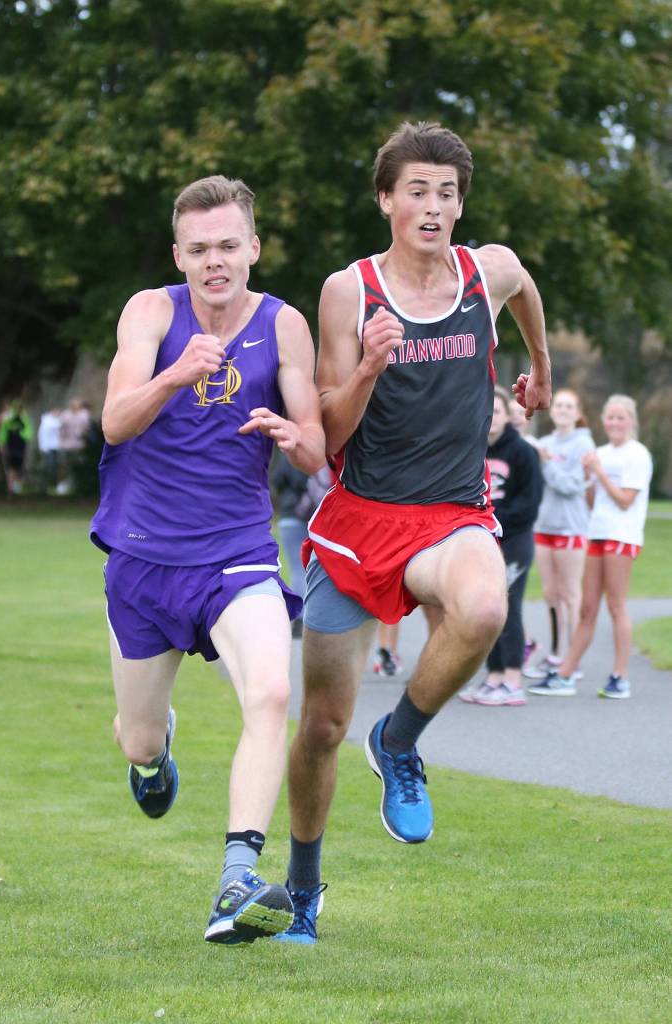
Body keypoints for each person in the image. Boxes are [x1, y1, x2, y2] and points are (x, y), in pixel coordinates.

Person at [275, 121, 551, 944]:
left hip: (451, 512)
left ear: (460, 204)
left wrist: (541, 364)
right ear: (386, 199)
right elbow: (324, 431)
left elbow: (526, 284)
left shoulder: (485, 270)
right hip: (359, 520)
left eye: (447, 193)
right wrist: (366, 366)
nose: (433, 207)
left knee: (484, 611)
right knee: (322, 725)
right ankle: (301, 889)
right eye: (417, 191)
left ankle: (399, 743)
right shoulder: (347, 291)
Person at [89, 174, 325, 945]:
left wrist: (295, 442)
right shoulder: (152, 312)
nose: (215, 261)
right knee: (138, 737)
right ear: (178, 255)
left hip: (237, 553)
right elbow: (117, 423)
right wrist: (174, 373)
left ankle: (237, 876)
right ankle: (154, 756)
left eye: (228, 245)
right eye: (199, 249)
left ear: (253, 248)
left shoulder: (284, 325)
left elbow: (316, 444)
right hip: (145, 559)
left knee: (268, 692)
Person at [529, 394, 652, 699]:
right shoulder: (600, 452)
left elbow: (625, 501)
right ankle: (565, 674)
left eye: (620, 417)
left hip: (621, 535)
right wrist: (590, 476)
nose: (614, 422)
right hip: (595, 532)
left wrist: (597, 473)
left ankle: (620, 676)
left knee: (616, 605)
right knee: (586, 608)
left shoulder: (636, 454)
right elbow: (592, 501)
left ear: (632, 421)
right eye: (610, 417)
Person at [460, 387, 543, 706]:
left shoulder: (522, 452)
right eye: (487, 410)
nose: (491, 417)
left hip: (514, 541)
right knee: (487, 609)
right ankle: (493, 676)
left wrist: (493, 519)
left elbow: (530, 504)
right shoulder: (473, 449)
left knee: (509, 607)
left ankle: (512, 679)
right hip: (483, 542)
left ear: (508, 416)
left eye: (497, 411)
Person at [523, 389, 595, 680]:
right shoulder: (545, 443)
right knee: (551, 594)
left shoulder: (583, 444)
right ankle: (555, 654)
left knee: (570, 594)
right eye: (559, 405)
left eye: (569, 406)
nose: (563, 410)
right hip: (544, 527)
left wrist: (547, 462)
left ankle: (572, 659)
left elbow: (571, 485)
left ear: (577, 413)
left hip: (570, 528)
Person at [271, 454, 332, 638]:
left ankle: (299, 616)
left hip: (290, 516)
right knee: (312, 569)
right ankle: (313, 616)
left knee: (297, 568)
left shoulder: (287, 454)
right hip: (316, 517)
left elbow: (277, 480)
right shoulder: (321, 451)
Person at [0, 399, 33, 495]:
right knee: (11, 468)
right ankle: (11, 487)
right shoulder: (8, 418)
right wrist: (1, 443)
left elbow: (28, 433)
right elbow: (3, 432)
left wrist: (21, 433)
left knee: (18, 468)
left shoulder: (24, 418)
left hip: (20, 446)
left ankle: (15, 487)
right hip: (10, 446)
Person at [37, 406, 62, 492]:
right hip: (48, 448)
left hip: (55, 447)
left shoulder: (54, 420)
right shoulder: (47, 421)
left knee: (54, 467)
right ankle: (48, 485)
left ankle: (53, 485)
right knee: (49, 467)